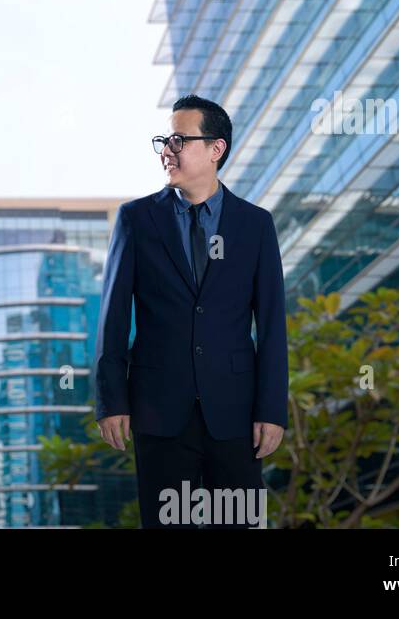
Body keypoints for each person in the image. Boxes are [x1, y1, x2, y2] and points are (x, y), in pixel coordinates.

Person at [93, 94, 288, 528]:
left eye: (179, 140)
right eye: (164, 140)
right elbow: (113, 319)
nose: (167, 150)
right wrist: (111, 401)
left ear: (216, 149)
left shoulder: (255, 225)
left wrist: (272, 409)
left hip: (236, 413)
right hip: (158, 410)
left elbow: (273, 325)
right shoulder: (136, 219)